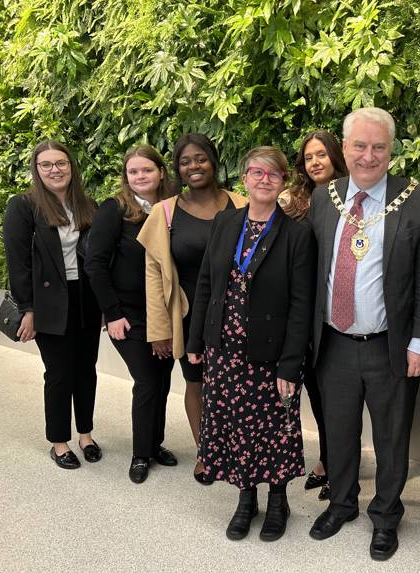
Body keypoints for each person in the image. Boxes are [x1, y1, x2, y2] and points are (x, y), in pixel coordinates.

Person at [307, 107, 420, 561]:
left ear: (391, 150)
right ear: (344, 149)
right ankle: (342, 504)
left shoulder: (416, 198)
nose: (369, 156)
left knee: (390, 436)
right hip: (334, 344)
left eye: (378, 147)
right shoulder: (324, 196)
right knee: (339, 432)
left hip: (390, 345)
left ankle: (386, 516)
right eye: (359, 146)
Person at [186, 146, 315, 541]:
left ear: (282, 182)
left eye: (273, 174)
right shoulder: (226, 223)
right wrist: (197, 339)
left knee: (274, 427)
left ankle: (278, 500)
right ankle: (246, 500)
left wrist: (291, 365)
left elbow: (301, 305)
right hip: (224, 351)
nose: (264, 179)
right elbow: (207, 282)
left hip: (270, 354)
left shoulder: (297, 234)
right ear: (244, 177)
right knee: (235, 425)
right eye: (257, 172)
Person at [137, 133, 247, 484]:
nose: (193, 166)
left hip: (238, 317)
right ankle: (207, 453)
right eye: (185, 161)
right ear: (177, 170)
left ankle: (236, 448)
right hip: (189, 318)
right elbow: (154, 276)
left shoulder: (243, 205)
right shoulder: (165, 213)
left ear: (214, 161)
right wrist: (160, 331)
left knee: (236, 385)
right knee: (197, 383)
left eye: (200, 158)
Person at [3, 140, 102, 469]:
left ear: (71, 167)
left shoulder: (88, 206)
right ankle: (59, 442)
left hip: (86, 298)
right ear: (37, 169)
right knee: (59, 374)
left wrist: (105, 305)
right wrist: (29, 309)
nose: (54, 169)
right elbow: (18, 264)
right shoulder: (23, 206)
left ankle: (85, 434)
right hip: (48, 303)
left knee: (86, 370)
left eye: (60, 163)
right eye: (46, 164)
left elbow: (100, 259)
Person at [85, 145, 178, 484]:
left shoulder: (172, 208)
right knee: (148, 380)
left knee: (163, 380)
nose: (140, 177)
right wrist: (112, 314)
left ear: (161, 172)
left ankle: (155, 445)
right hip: (128, 315)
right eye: (133, 172)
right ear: (126, 177)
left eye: (147, 170)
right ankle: (141, 455)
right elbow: (94, 264)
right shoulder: (115, 210)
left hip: (164, 314)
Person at [280, 130, 348, 501]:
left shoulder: (353, 197)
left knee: (338, 396)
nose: (316, 162)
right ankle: (326, 458)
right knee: (318, 395)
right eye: (309, 157)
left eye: (322, 154)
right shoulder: (292, 202)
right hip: (306, 313)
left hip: (342, 313)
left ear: (336, 156)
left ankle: (340, 465)